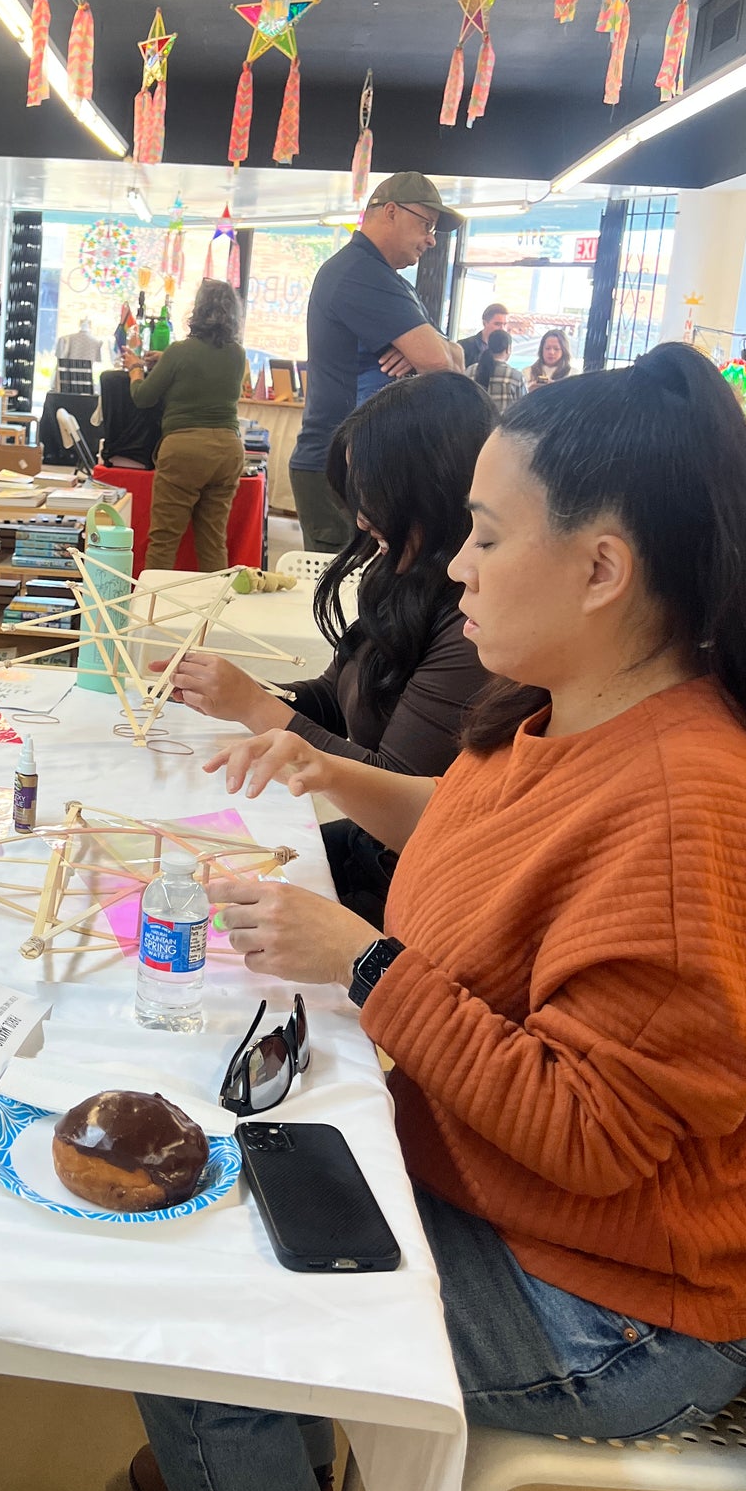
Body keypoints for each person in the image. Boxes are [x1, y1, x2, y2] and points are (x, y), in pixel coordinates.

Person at [133, 344, 746, 1491]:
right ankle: (250, 1467)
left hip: (610, 1305)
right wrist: (326, 769)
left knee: (195, 1316)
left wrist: (364, 965)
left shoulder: (686, 808)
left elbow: (594, 1133)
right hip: (503, 1194)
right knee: (223, 1166)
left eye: (482, 534)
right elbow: (475, 823)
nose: (455, 567)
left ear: (600, 569)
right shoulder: (561, 704)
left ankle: (241, 1452)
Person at [154, 372, 493, 926]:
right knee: (178, 867)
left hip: (408, 885)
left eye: (374, 491)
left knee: (201, 910)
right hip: (373, 850)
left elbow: (394, 787)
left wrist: (256, 707)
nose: (359, 515)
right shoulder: (402, 576)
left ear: (433, 486)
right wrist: (234, 691)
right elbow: (337, 697)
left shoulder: (474, 623)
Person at [288, 173, 465, 555]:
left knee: (371, 594)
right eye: (426, 224)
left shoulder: (392, 281)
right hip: (340, 467)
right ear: (390, 212)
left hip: (365, 465)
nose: (432, 238)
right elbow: (444, 369)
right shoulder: (359, 272)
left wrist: (425, 350)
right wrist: (427, 352)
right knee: (343, 599)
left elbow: (455, 360)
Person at [124, 278, 246, 572]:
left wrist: (135, 369)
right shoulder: (237, 354)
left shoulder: (180, 351)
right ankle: (214, 614)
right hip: (229, 451)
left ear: (198, 309)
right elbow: (207, 369)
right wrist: (168, 360)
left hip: (185, 451)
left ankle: (152, 613)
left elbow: (142, 397)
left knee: (164, 540)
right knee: (214, 541)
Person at [473, 325, 525, 412]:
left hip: (471, 424)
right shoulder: (515, 376)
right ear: (508, 349)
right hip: (503, 425)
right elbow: (523, 409)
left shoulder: (470, 371)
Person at [459, 300, 508, 369]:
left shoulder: (504, 347)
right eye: (497, 324)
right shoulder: (464, 346)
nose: (502, 328)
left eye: (505, 324)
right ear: (484, 323)